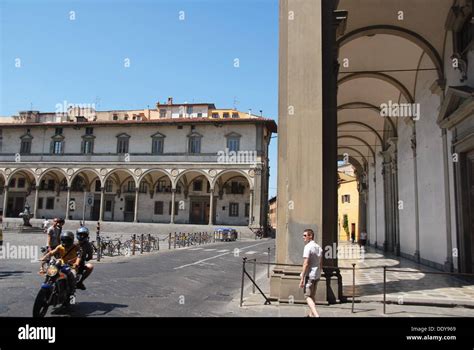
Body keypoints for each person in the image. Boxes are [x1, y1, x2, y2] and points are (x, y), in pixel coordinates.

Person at [299, 228, 323, 317]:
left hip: (310, 275)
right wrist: (319, 271)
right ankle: (310, 315)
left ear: (310, 236)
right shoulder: (319, 247)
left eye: (305, 235)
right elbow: (321, 262)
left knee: (307, 296)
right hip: (317, 275)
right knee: (312, 296)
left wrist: (302, 277)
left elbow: (306, 263)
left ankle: (316, 315)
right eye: (303, 235)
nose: (303, 237)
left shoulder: (307, 247)